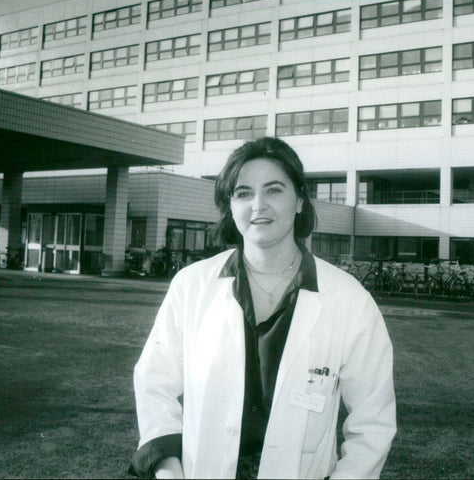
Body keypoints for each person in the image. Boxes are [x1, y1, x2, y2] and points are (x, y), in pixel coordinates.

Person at [130, 137, 396, 479]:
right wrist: (167, 468)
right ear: (230, 205)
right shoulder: (191, 286)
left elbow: (372, 422)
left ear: (300, 200)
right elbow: (154, 383)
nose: (259, 205)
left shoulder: (349, 300)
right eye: (243, 193)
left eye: (274, 190)